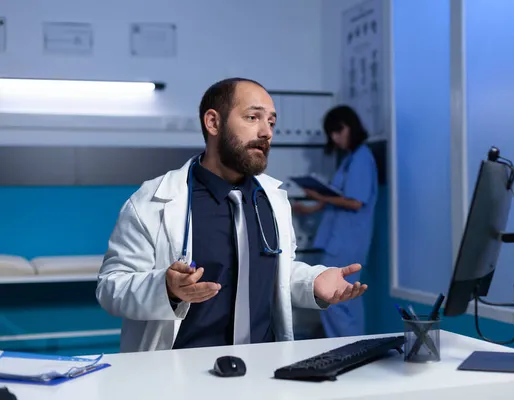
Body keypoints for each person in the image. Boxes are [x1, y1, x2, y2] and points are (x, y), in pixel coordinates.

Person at [95, 78, 368, 353]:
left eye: (271, 122)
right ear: (213, 123)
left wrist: (313, 281)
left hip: (263, 368)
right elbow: (110, 287)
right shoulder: (154, 201)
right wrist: (165, 288)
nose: (266, 132)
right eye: (253, 117)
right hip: (182, 373)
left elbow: (274, 272)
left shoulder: (273, 200)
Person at [292, 105, 378, 338]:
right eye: (331, 133)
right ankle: (351, 347)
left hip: (348, 242)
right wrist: (310, 208)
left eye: (338, 131)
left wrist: (319, 196)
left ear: (350, 127)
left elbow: (355, 202)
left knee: (337, 300)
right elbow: (338, 196)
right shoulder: (350, 159)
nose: (335, 138)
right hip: (341, 240)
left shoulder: (361, 158)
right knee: (344, 301)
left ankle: (346, 350)